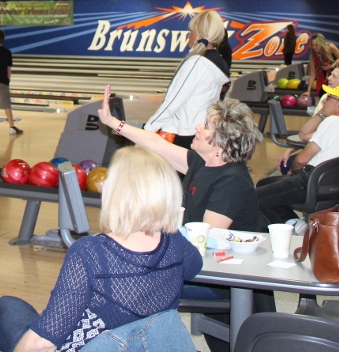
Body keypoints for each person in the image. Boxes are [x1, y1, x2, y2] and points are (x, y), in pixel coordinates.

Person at [0, 146, 202, 352]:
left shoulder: (90, 252)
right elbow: (194, 266)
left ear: (118, 192)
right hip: (136, 343)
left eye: (110, 180)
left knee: (6, 307)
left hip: (90, 345)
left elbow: (42, 343)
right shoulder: (174, 243)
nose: (104, 185)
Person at [96, 89, 267, 352]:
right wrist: (113, 123)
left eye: (207, 125)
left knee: (129, 288)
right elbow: (156, 144)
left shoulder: (231, 181)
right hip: (195, 266)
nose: (198, 127)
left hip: (218, 279)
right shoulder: (203, 162)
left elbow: (204, 240)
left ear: (220, 142)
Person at [256, 84, 339, 228]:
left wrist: (292, 172)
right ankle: (295, 224)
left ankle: (289, 226)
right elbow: (304, 134)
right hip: (331, 188)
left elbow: (301, 159)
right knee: (265, 184)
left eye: (329, 98)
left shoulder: (334, 122)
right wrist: (322, 113)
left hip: (308, 183)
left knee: (253, 198)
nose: (324, 100)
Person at [143, 11, 229, 149]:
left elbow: (173, 101)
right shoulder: (218, 63)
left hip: (184, 134)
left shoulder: (197, 63)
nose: (189, 35)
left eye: (191, 31)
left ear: (200, 34)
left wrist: (148, 130)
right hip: (204, 132)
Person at [303, 33, 339, 104]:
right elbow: (312, 73)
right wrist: (308, 91)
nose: (314, 47)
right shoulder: (313, 54)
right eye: (313, 45)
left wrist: (332, 66)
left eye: (316, 45)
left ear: (321, 43)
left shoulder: (330, 47)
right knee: (323, 99)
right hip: (322, 78)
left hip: (334, 76)